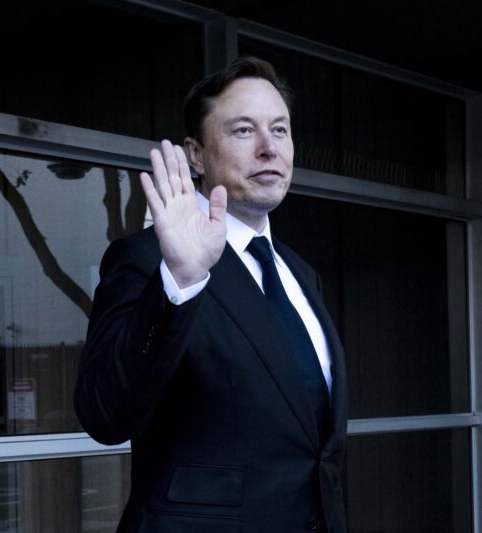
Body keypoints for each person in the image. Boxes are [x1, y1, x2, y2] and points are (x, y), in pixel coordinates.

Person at [75, 57, 348, 532]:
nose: (269, 149)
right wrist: (180, 278)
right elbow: (105, 414)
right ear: (196, 155)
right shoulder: (149, 260)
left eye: (280, 130)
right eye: (244, 131)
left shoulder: (301, 274)